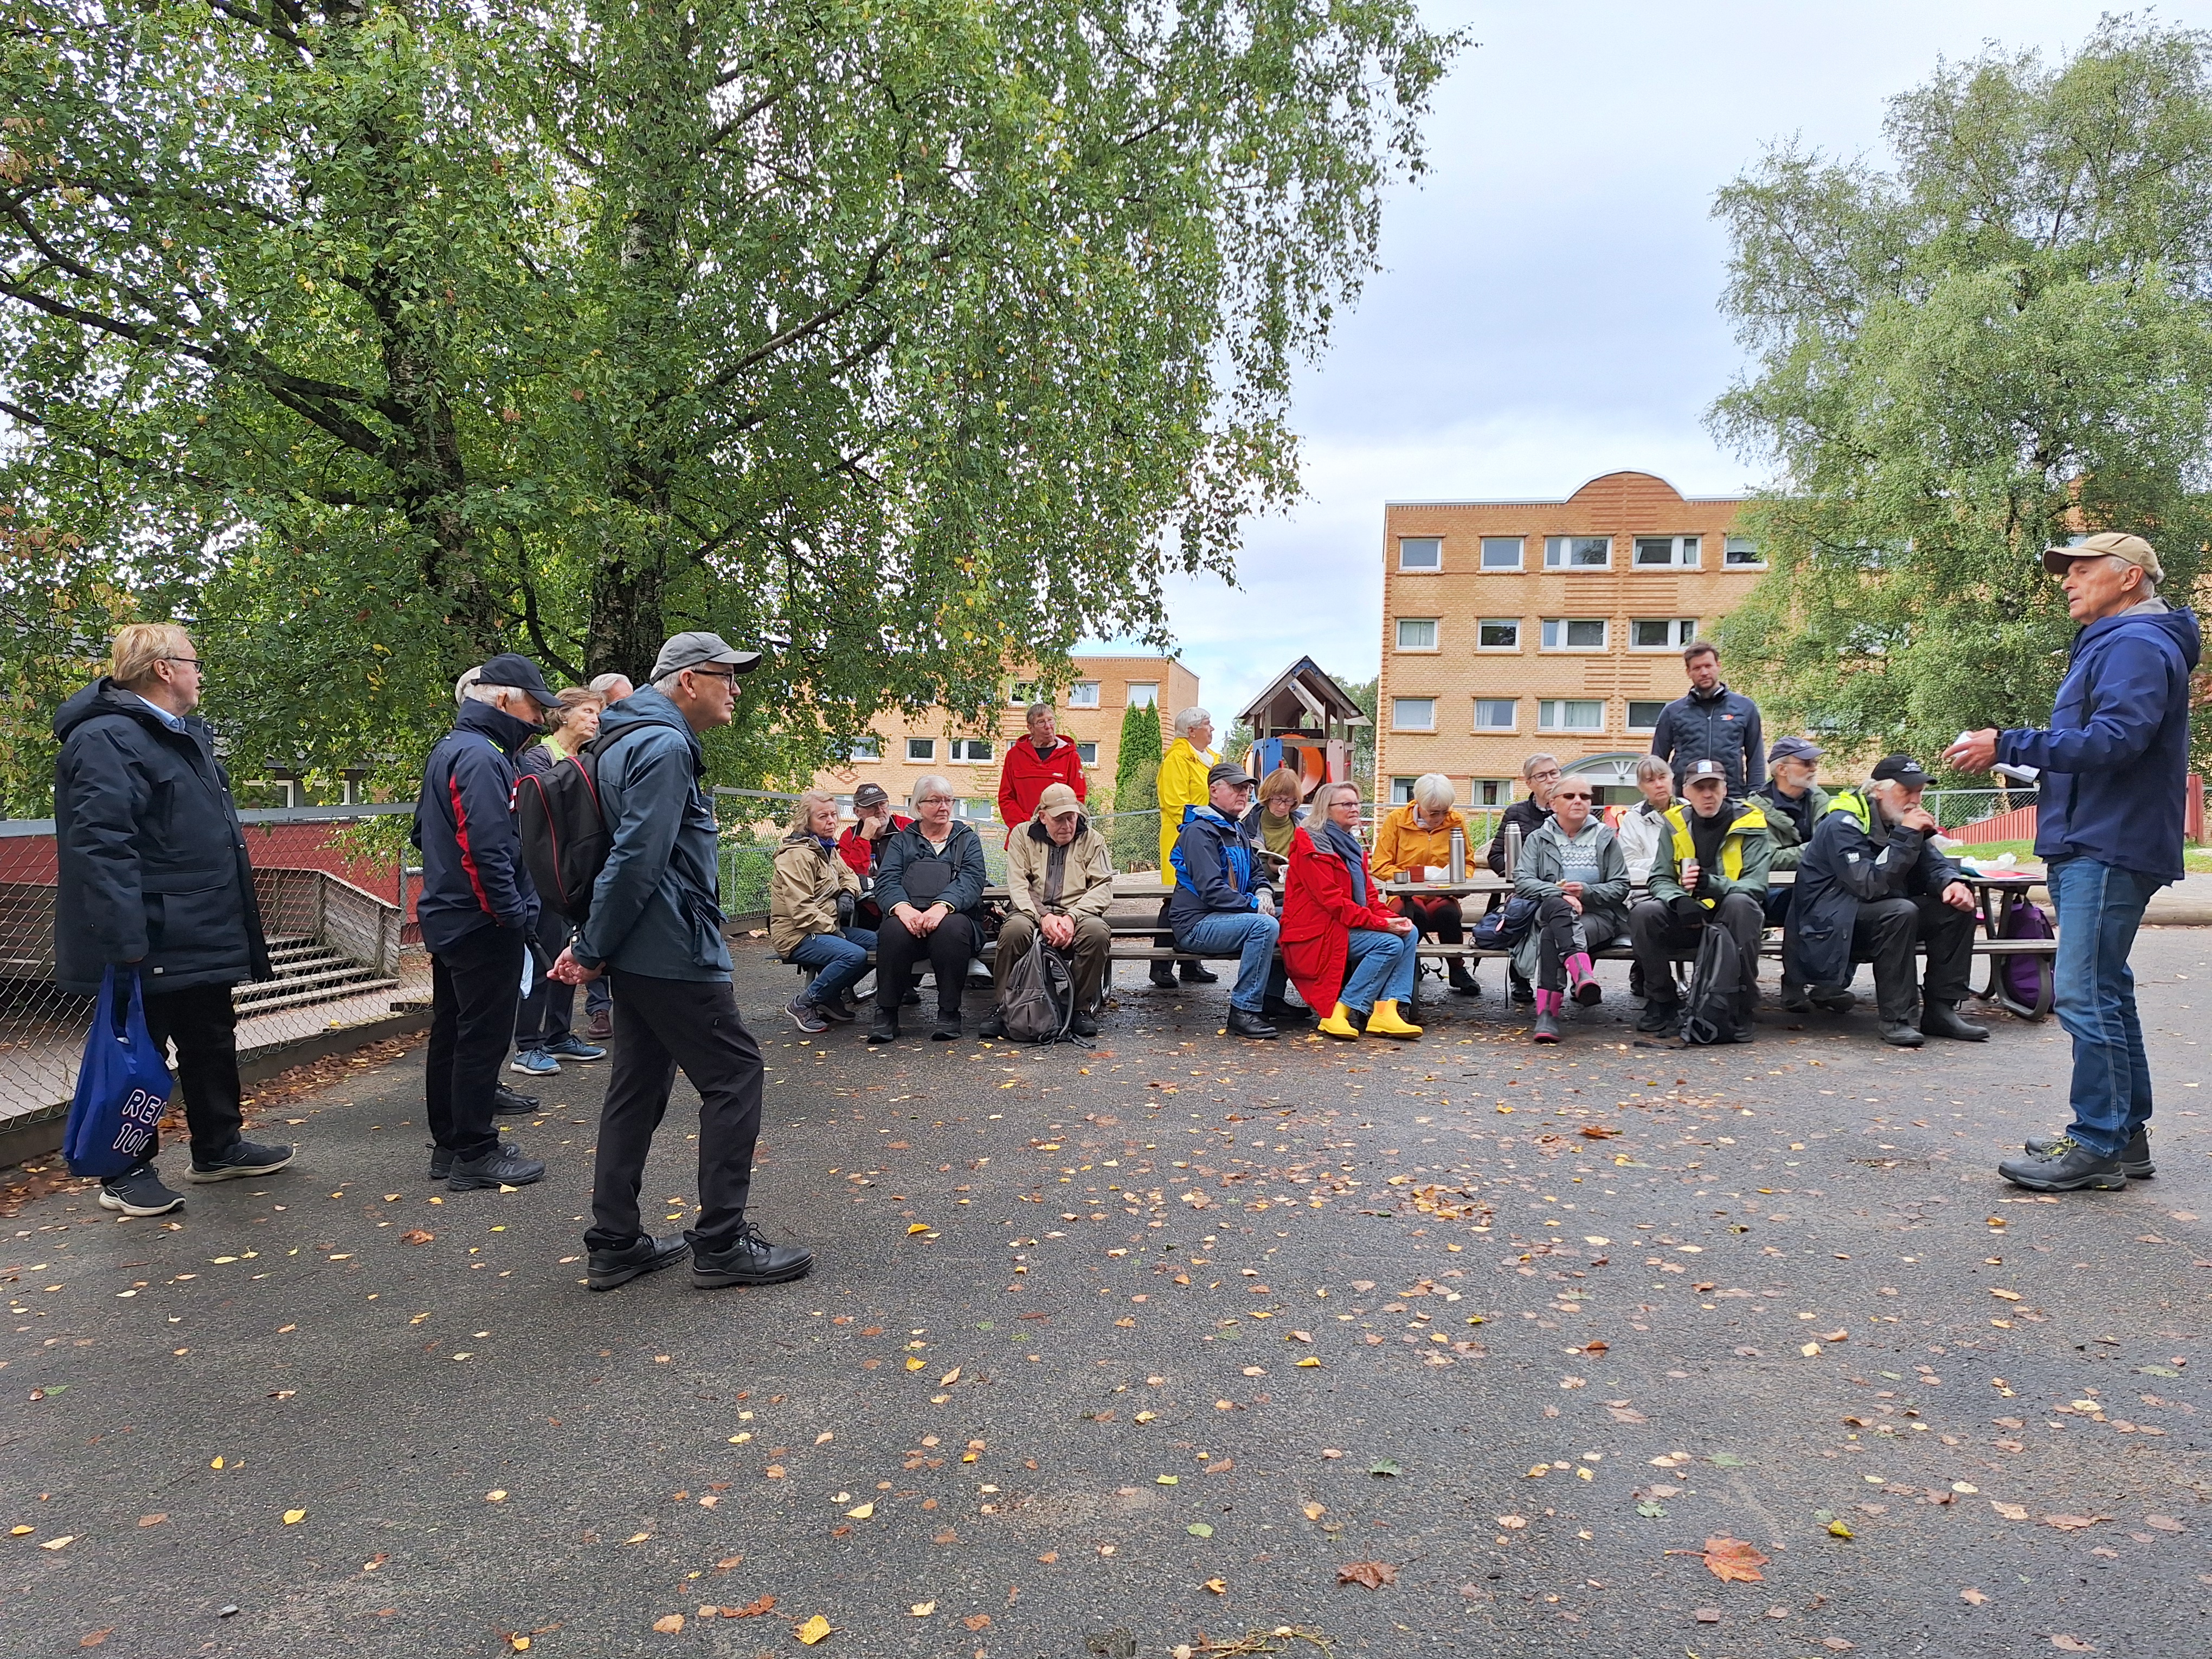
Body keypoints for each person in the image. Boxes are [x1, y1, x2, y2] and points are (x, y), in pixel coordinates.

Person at [551, 631, 812, 1291]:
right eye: (727, 675)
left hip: (639, 948)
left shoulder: (621, 739)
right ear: (689, 680)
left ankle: (615, 1242)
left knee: (635, 1089)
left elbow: (618, 857)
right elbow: (637, 859)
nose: (737, 687)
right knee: (735, 1074)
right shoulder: (664, 745)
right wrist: (591, 948)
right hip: (670, 946)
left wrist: (595, 943)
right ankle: (722, 1242)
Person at [1946, 532, 2201, 1192]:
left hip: (2107, 844)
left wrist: (2011, 739)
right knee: (2107, 989)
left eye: (2082, 569)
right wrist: (2018, 755)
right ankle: (2122, 1135)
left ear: (2127, 579)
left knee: (2086, 992)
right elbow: (2097, 745)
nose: (2067, 579)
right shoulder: (2121, 643)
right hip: (2099, 837)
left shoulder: (2137, 644)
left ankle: (2095, 1143)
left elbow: (2116, 740)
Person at [51, 624, 294, 1218]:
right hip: (151, 932)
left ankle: (219, 1148)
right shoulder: (107, 739)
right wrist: (124, 937)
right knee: (138, 1055)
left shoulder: (181, 735)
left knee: (211, 1038)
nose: (199, 672)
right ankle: (123, 1170)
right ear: (164, 669)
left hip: (201, 926)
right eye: (193, 661)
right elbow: (101, 845)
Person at [412, 654, 558, 1188]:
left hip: (451, 915)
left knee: (452, 1034)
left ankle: (451, 1147)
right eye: (534, 704)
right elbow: (488, 850)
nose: (541, 716)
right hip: (481, 922)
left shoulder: (456, 750)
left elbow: (425, 835)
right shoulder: (483, 758)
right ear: (502, 699)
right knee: (481, 1038)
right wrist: (514, 916)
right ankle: (474, 1151)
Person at [1787, 756, 1984, 1050]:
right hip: (1828, 924)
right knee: (1900, 911)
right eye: (1907, 792)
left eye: (1920, 792)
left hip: (1878, 915)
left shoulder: (1899, 821)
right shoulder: (1842, 824)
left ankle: (1941, 1011)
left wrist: (1952, 883)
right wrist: (1907, 835)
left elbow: (1933, 864)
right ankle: (1896, 1018)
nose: (1915, 801)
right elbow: (1868, 885)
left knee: (1955, 909)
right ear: (1878, 790)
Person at [1629, 758, 1772, 1038]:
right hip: (1687, 915)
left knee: (1742, 904)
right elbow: (1659, 877)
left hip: (1729, 918)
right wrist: (1677, 900)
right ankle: (1662, 1001)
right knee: (1644, 913)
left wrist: (1711, 885)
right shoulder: (1675, 824)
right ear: (1687, 792)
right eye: (1700, 788)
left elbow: (1756, 886)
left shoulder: (1751, 823)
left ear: (1725, 788)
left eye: (1714, 787)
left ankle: (1738, 1003)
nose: (1708, 794)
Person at [511, 689, 611, 1077]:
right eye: (587, 711)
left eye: (597, 713)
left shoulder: (588, 758)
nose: (594, 719)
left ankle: (558, 1034)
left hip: (573, 874)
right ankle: (527, 1046)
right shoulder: (539, 758)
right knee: (541, 957)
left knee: (569, 950)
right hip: (542, 874)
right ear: (563, 715)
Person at [1282, 782, 1422, 1041]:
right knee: (1389, 944)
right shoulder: (1311, 843)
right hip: (1315, 933)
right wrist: (1381, 925)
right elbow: (1333, 902)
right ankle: (1340, 1011)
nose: (1355, 809)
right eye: (1347, 804)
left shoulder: (1351, 847)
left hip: (1340, 927)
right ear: (1327, 809)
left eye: (1357, 803)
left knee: (1409, 931)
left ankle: (1386, 1010)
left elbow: (1369, 899)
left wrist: (1392, 918)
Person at [984, 782, 1114, 1039]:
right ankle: (1003, 1006)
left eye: (1072, 817)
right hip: (1031, 911)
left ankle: (1079, 1008)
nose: (1067, 826)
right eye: (1059, 820)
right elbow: (1019, 885)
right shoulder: (1022, 835)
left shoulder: (1093, 840)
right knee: (1013, 931)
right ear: (1043, 817)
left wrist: (1071, 917)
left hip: (1077, 913)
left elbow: (1102, 887)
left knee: (1098, 933)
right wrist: (1044, 917)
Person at [866, 775, 990, 1043]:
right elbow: (887, 880)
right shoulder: (902, 840)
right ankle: (886, 1013)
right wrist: (902, 908)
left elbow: (972, 879)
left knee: (951, 930)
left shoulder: (966, 839)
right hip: (910, 914)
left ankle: (948, 1013)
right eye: (935, 801)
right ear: (919, 806)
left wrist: (942, 906)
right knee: (892, 931)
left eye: (948, 800)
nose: (944, 806)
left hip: (955, 916)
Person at [1165, 762, 1281, 1039]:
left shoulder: (1236, 828)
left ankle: (1272, 999)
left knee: (1291, 919)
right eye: (1236, 787)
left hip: (1226, 918)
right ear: (1214, 790)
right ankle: (1243, 1011)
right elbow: (1211, 890)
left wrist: (1264, 892)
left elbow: (1256, 871)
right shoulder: (1199, 831)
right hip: (1196, 924)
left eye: (1247, 788)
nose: (1244, 793)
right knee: (1264, 927)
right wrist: (1255, 905)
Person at [1513, 776, 1630, 1044]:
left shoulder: (1605, 837)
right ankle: (1582, 974)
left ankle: (1547, 1015)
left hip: (1597, 917)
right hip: (1549, 910)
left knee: (1552, 937)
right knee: (1557, 908)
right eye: (1570, 796)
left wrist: (1586, 894)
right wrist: (1562, 894)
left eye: (1585, 796)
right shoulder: (1539, 838)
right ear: (1553, 803)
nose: (1578, 801)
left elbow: (1620, 886)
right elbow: (1523, 880)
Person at [1370, 772, 1481, 998]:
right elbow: (1380, 864)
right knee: (1413, 918)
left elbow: (1468, 861)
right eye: (1434, 813)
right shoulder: (1397, 820)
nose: (1440, 818)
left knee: (1449, 915)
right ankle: (1407, 970)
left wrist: (1459, 879)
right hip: (1406, 894)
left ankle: (1457, 969)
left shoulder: (1456, 821)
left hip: (1442, 893)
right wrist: (1409, 877)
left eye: (1444, 812)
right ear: (1419, 804)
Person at [770, 790, 871, 1035]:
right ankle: (803, 1004)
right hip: (797, 933)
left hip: (824, 925)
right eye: (823, 816)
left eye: (834, 815)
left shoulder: (826, 848)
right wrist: (836, 932)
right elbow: (802, 911)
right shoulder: (797, 855)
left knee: (879, 943)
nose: (831, 821)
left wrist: (848, 893)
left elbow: (850, 876)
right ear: (807, 820)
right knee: (854, 955)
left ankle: (829, 995)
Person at [1748, 735, 1831, 1011]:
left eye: (1815, 762)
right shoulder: (1753, 808)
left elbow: (1839, 846)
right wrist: (1817, 851)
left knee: (1851, 900)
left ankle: (1830, 985)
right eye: (1807, 763)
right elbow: (1767, 858)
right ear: (1782, 769)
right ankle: (1794, 983)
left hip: (1819, 889)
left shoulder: (1822, 801)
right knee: (1800, 899)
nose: (1814, 768)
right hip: (1772, 893)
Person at [1151, 705, 1222, 989]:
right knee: (1174, 899)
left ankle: (1191, 963)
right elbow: (1175, 803)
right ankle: (1161, 965)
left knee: (1199, 896)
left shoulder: (1209, 760)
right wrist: (1208, 825)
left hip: (1206, 838)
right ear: (1191, 731)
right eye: (1208, 724)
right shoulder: (1177, 760)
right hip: (1181, 840)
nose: (1212, 730)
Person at [578, 678, 632, 1039]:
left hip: (617, 855)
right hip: (593, 858)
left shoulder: (634, 746)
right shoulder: (588, 753)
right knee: (592, 927)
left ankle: (627, 1006)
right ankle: (599, 1009)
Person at [1486, 753, 1561, 1005]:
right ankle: (1521, 978)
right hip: (1525, 889)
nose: (1550, 780)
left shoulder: (1574, 808)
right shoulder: (1517, 813)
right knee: (1525, 912)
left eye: (1554, 773)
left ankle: (1570, 979)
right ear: (1529, 783)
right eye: (1542, 776)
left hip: (1562, 888)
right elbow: (1496, 855)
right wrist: (1521, 876)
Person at [1239, 768, 1313, 1024]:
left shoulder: (1303, 823)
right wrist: (1267, 869)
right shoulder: (1247, 824)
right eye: (1278, 799)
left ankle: (1274, 996)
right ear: (1267, 797)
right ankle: (1266, 998)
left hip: (1293, 890)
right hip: (1259, 892)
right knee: (1277, 924)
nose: (1284, 806)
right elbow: (1243, 867)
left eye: (1290, 800)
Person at [1649, 641, 1764, 798]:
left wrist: (1756, 794)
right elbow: (1657, 761)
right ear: (1688, 672)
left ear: (1718, 665)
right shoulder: (1672, 712)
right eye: (1697, 668)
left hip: (1732, 796)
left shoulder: (1745, 708)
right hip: (1685, 799)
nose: (1704, 672)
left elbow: (1756, 756)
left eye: (1708, 666)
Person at [996, 701, 1086, 843]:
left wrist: (1056, 824)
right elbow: (1006, 798)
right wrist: (1028, 824)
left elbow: (1078, 798)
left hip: (1059, 837)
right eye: (1041, 722)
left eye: (1051, 720)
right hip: (1023, 835)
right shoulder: (1014, 756)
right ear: (1030, 728)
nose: (1048, 726)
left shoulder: (1070, 756)